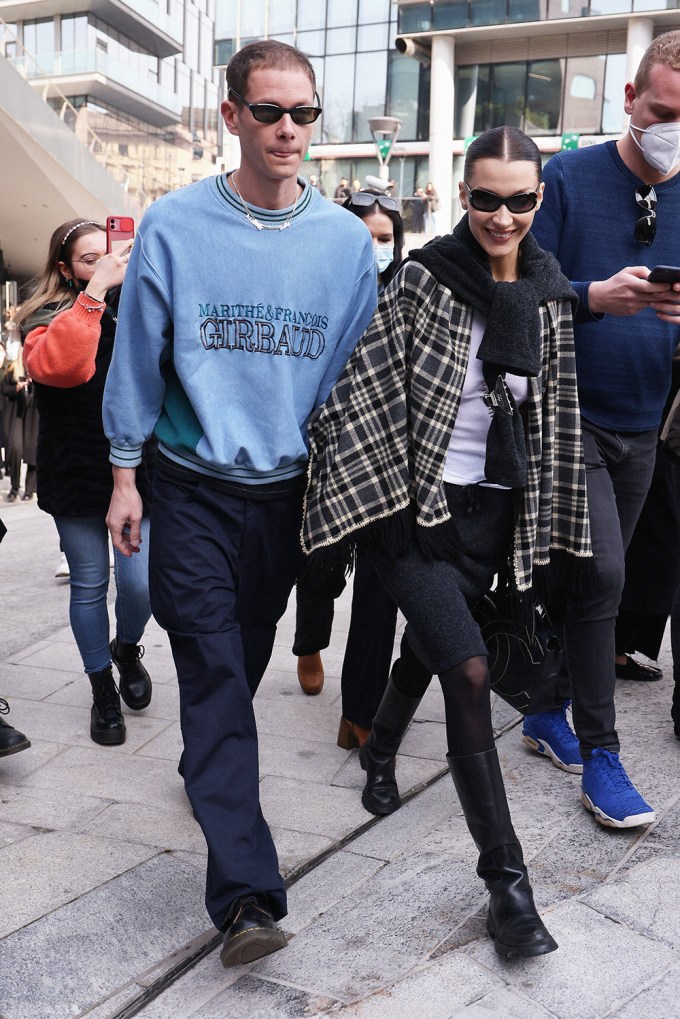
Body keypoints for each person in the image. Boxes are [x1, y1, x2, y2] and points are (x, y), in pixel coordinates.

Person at [102, 40, 376, 968]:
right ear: (231, 117)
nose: (290, 130)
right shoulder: (175, 227)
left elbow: (352, 385)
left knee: (243, 662)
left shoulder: (345, 245)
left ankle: (205, 766)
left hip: (287, 499)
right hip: (189, 488)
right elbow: (136, 357)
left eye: (305, 113)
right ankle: (248, 896)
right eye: (270, 113)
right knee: (216, 671)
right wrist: (125, 473)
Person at [303, 126, 594, 959]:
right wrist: (395, 507)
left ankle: (383, 748)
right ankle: (508, 887)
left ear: (540, 199)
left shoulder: (549, 293)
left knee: (437, 649)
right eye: (486, 199)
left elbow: (556, 424)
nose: (503, 217)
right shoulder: (426, 279)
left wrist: (554, 536)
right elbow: (362, 392)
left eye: (521, 200)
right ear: (462, 195)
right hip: (414, 510)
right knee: (467, 665)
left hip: (498, 515)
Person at [528, 29, 680, 827]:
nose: (673, 129)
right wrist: (594, 296)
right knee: (606, 582)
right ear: (630, 100)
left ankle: (547, 704)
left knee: (585, 582)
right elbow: (523, 290)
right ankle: (604, 752)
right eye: (663, 111)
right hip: (572, 416)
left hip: (644, 421)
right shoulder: (569, 178)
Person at [294, 189, 421, 747]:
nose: (376, 247)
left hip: (390, 457)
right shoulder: (320, 284)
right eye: (365, 237)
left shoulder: (412, 287)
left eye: (385, 238)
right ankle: (309, 643)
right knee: (321, 563)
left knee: (380, 583)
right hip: (329, 442)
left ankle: (361, 714)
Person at [21, 219, 154, 748]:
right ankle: (103, 688)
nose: (103, 264)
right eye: (87, 259)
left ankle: (126, 648)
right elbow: (68, 365)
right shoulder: (44, 317)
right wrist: (98, 291)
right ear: (64, 268)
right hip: (74, 470)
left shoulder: (141, 309)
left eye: (108, 254)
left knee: (140, 584)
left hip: (137, 472)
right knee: (89, 584)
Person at [1, 309, 37, 503]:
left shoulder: (37, 361)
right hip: (15, 412)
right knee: (15, 449)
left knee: (31, 451)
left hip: (31, 413)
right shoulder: (12, 366)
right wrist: (17, 387)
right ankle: (15, 486)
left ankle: (29, 488)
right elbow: (4, 388)